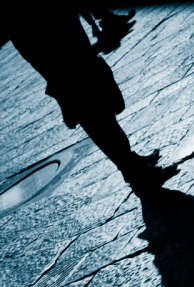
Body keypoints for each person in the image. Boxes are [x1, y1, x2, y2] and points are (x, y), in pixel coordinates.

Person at [0, 1, 177, 190]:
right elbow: (29, 42)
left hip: (73, 50)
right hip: (63, 61)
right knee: (97, 119)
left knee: (105, 113)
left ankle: (131, 162)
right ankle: (135, 172)